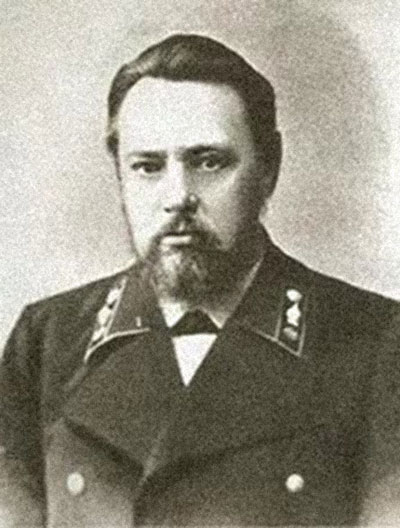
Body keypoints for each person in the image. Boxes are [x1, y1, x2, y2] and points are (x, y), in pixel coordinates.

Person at [0, 33, 398, 527]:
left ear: (268, 168)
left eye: (209, 162)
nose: (178, 196)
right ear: (120, 176)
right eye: (147, 167)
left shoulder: (379, 344)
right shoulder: (47, 341)